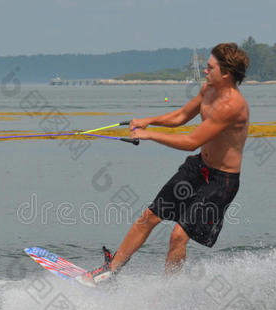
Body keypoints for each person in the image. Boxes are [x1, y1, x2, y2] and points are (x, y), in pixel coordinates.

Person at [79, 43, 250, 287]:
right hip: (199, 168)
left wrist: (150, 135)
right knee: (149, 217)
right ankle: (111, 270)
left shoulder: (232, 106)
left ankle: (169, 294)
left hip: (220, 181)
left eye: (210, 68)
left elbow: (192, 141)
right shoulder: (209, 89)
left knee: (178, 235)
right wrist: (149, 121)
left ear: (226, 74)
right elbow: (180, 117)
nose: (205, 71)